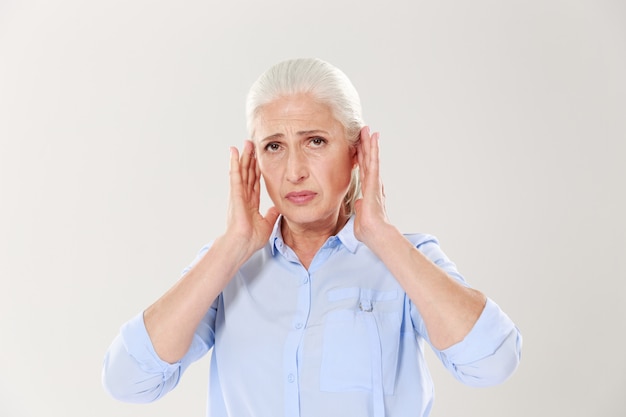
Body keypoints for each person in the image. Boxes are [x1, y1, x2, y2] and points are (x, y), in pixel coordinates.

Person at [102, 58, 522, 417]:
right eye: (274, 147)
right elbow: (128, 381)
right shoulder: (227, 268)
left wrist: (381, 235)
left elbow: (493, 363)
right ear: (255, 160)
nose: (294, 171)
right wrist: (231, 246)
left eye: (315, 141)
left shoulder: (409, 259)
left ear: (356, 151)